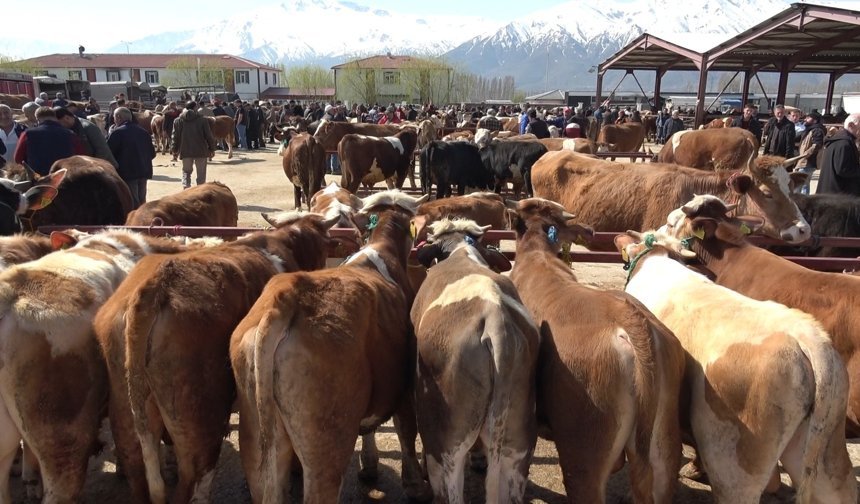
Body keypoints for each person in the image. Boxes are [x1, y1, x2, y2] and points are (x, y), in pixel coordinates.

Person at [13, 106, 84, 175]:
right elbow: (81, 156)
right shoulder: (70, 134)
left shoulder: (27, 134)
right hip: (65, 177)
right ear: (55, 118)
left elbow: (18, 159)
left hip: (39, 179)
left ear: (37, 119)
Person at [107, 107, 154, 209]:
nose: (114, 120)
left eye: (114, 117)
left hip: (127, 172)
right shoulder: (144, 132)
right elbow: (152, 154)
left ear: (118, 117)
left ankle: (136, 222)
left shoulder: (117, 133)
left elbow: (109, 153)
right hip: (144, 171)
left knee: (132, 200)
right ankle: (143, 221)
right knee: (142, 199)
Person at [171, 101, 216, 189]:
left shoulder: (177, 121)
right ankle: (200, 191)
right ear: (195, 108)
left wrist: (174, 150)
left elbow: (174, 136)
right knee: (201, 174)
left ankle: (186, 189)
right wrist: (212, 149)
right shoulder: (203, 120)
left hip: (185, 150)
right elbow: (209, 136)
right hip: (201, 150)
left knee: (186, 172)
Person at [816, 113, 860, 196]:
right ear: (851, 125)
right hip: (838, 197)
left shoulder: (840, 140)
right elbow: (843, 170)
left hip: (831, 194)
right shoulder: (844, 144)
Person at [794, 111, 825, 195]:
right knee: (803, 183)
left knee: (802, 183)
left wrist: (806, 155)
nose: (805, 119)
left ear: (815, 120)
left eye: (808, 118)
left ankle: (801, 202)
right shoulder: (809, 129)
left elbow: (817, 145)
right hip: (804, 160)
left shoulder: (817, 130)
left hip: (808, 161)